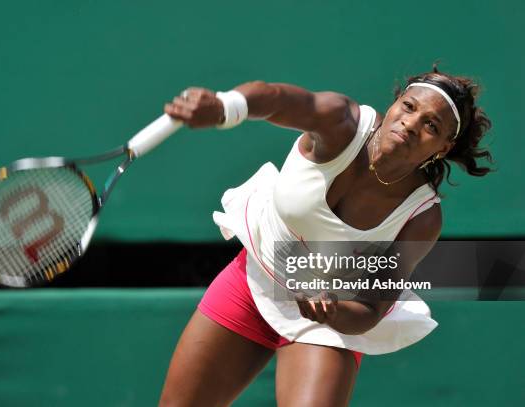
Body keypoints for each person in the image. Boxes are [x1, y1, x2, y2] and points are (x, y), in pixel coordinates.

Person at [158, 65, 493, 406]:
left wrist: (331, 309)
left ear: (443, 147)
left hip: (329, 319)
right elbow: (276, 98)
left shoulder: (422, 217)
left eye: (431, 126)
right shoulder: (342, 123)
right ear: (394, 105)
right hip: (257, 277)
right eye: (408, 107)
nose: (411, 123)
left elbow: (370, 308)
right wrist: (225, 107)